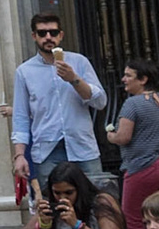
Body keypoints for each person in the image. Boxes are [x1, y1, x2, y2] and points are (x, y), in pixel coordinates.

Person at [12, 14, 108, 187]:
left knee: (95, 203)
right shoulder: (24, 72)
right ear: (34, 36)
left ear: (61, 35)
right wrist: (19, 155)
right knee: (55, 206)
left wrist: (74, 79)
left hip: (82, 147)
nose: (48, 37)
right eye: (42, 33)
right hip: (47, 151)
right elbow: (20, 117)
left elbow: (100, 102)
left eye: (53, 32)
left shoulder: (79, 62)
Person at [108, 58, 159, 229]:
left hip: (143, 167)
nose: (123, 79)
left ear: (143, 79)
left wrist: (110, 136)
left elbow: (124, 137)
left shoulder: (132, 104)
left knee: (133, 217)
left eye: (128, 75)